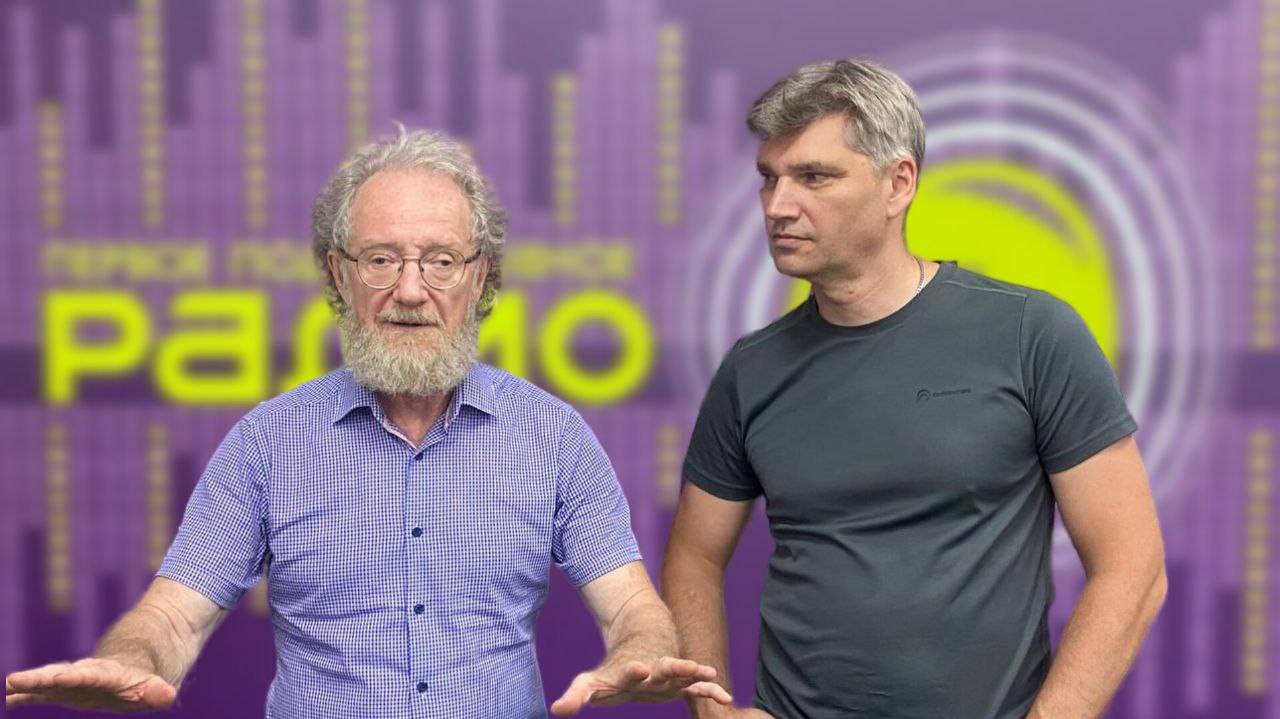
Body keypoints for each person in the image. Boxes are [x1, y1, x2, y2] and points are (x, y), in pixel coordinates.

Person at [6, 128, 731, 717]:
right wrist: (127, 660)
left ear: (480, 276)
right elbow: (171, 619)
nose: (410, 290)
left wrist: (640, 654)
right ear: (338, 274)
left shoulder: (553, 437)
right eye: (381, 259)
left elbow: (633, 609)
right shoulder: (266, 443)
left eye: (440, 261)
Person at [661, 59, 1167, 719]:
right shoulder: (750, 369)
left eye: (814, 176)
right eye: (769, 177)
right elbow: (693, 556)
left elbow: (1133, 567)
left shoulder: (1030, 334)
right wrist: (712, 708)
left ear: (898, 183)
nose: (779, 205)